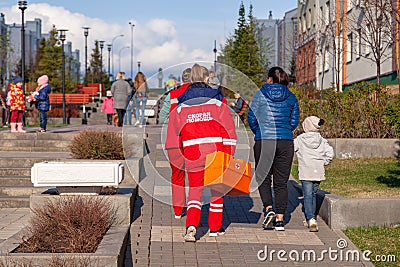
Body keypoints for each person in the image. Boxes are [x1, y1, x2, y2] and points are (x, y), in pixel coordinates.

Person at [171, 64, 237, 242]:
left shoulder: (181, 104)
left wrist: (179, 155)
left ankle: (191, 226)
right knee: (216, 192)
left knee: (195, 191)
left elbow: (176, 132)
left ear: (190, 79)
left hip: (192, 152)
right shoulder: (218, 100)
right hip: (215, 151)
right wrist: (229, 154)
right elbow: (228, 130)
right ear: (206, 78)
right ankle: (215, 228)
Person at [248, 66, 300, 231]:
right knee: (281, 182)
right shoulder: (291, 97)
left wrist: (260, 132)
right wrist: (284, 130)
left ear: (270, 79)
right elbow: (294, 120)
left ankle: (269, 208)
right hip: (285, 142)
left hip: (265, 141)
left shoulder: (260, 94)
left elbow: (251, 117)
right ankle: (280, 220)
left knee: (263, 178)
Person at [160, 67, 191, 219]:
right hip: (193, 141)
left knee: (177, 175)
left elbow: (162, 116)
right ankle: (194, 207)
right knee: (195, 176)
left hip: (174, 140)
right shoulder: (199, 96)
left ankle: (178, 210)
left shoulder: (172, 95)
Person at [294, 116, 334, 232]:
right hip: (318, 171)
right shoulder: (321, 140)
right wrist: (324, 162)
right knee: (313, 194)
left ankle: (311, 219)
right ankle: (313, 217)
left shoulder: (300, 139)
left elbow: (291, 148)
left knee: (307, 195)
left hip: (306, 171)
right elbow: (330, 152)